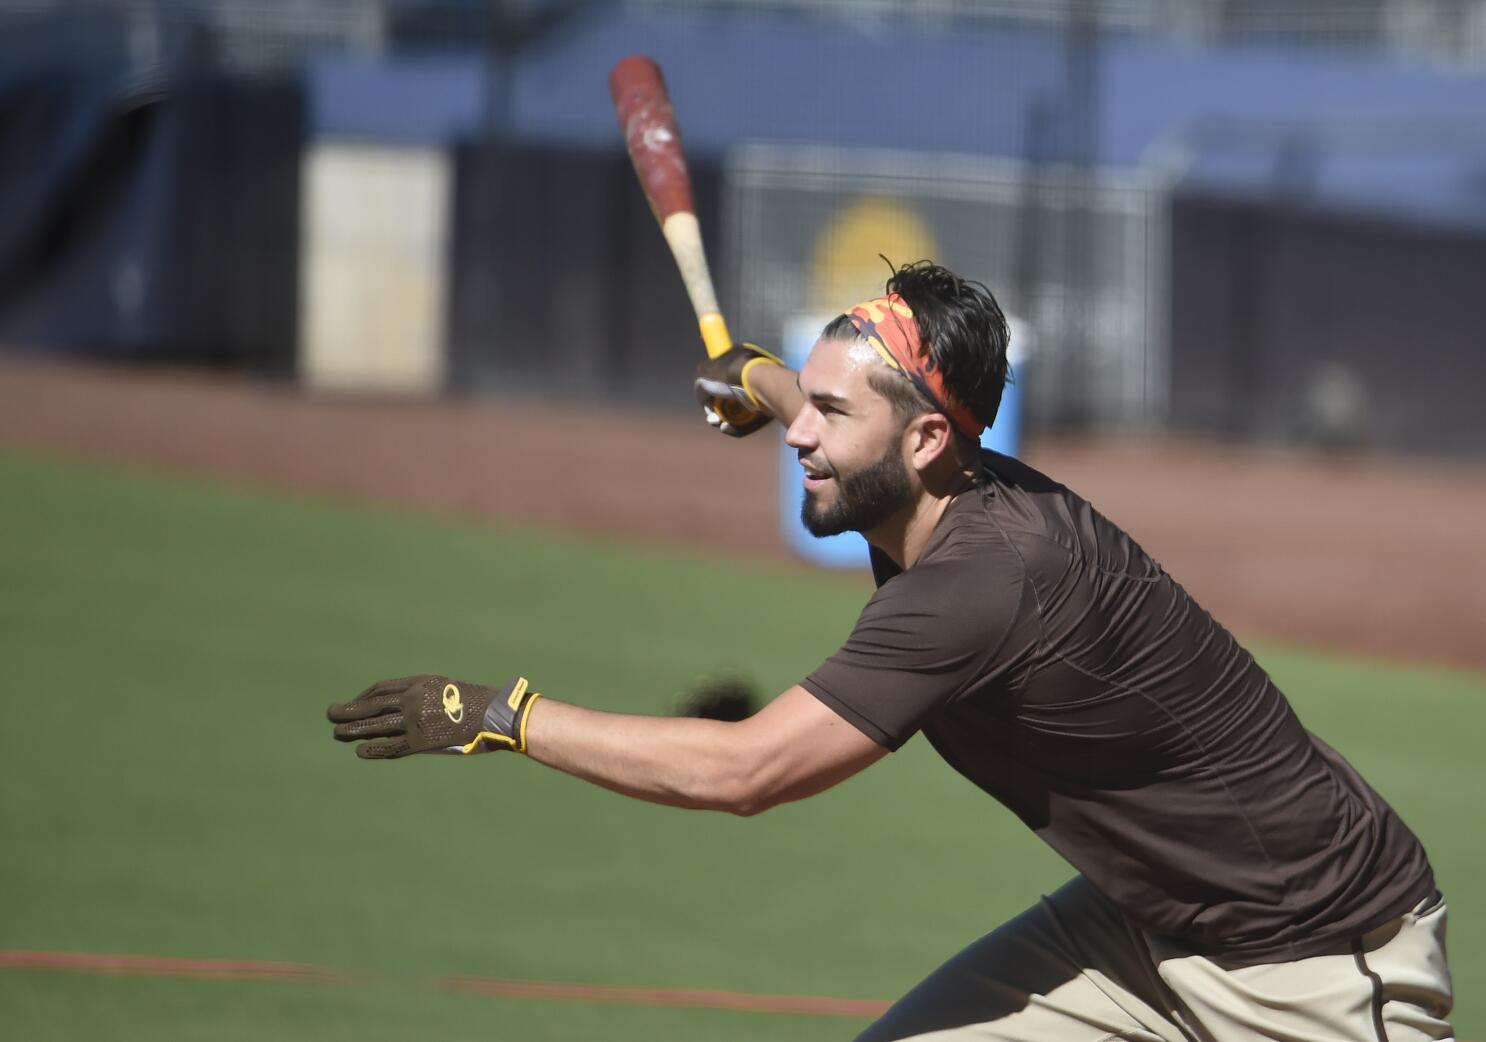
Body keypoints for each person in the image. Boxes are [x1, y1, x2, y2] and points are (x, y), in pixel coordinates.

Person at [328, 260, 1454, 1042]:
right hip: (1141, 920)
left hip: (1309, 955)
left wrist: (497, 713)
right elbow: (810, 404)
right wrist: (761, 380)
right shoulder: (931, 479)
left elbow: (744, 772)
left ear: (924, 438)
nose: (801, 436)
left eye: (827, 416)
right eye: (801, 408)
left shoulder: (979, 580)